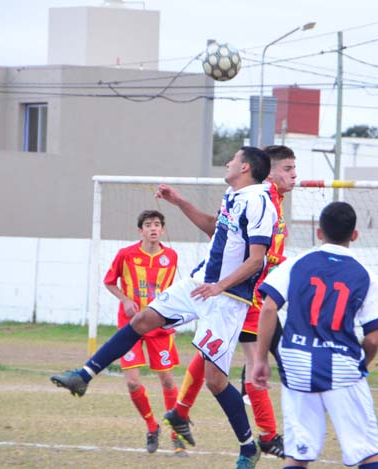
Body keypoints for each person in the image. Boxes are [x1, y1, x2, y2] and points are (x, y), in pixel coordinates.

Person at [51, 146, 275, 469]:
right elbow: (215, 228)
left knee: (214, 380)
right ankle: (84, 375)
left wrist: (220, 286)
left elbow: (257, 259)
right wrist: (178, 201)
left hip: (228, 300)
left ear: (246, 168)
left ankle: (247, 446)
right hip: (201, 283)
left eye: (234, 159)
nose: (228, 162)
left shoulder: (260, 202)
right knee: (142, 319)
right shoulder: (233, 195)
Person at [162, 145, 297, 458]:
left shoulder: (271, 199)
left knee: (215, 351)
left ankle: (180, 412)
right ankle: (267, 436)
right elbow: (235, 242)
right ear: (269, 171)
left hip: (258, 293)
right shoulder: (257, 197)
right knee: (256, 360)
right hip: (246, 294)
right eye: (288, 169)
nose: (294, 175)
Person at [253, 201, 378, 469]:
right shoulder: (366, 275)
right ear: (354, 235)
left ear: (319, 232)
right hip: (341, 366)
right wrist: (360, 365)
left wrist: (260, 360)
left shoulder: (296, 263)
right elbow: (373, 338)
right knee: (366, 452)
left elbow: (269, 308)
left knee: (298, 452)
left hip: (296, 363)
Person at [102, 210, 186, 456]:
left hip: (159, 326)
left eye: (157, 224)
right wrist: (125, 299)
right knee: (131, 382)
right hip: (130, 326)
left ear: (162, 230)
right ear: (140, 230)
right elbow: (109, 281)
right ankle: (152, 426)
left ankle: (176, 434)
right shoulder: (126, 255)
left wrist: (174, 318)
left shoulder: (171, 257)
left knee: (168, 380)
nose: (153, 228)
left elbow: (172, 290)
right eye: (148, 225)